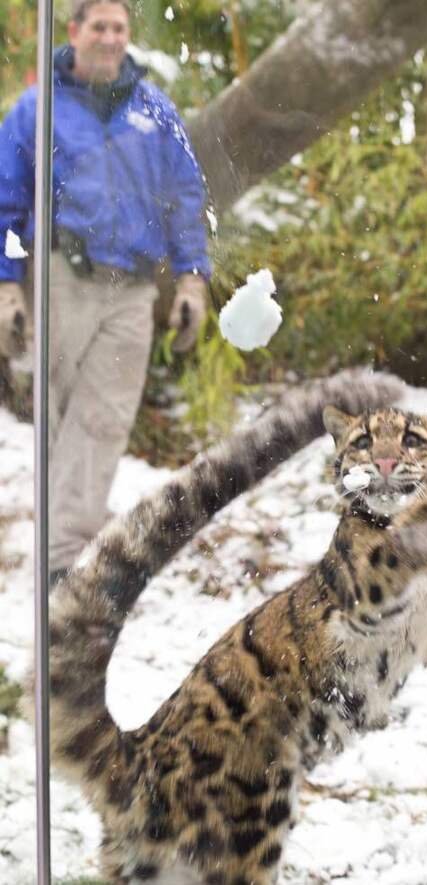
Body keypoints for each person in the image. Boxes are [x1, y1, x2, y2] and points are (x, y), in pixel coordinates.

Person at [0, 0, 211, 583]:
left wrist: (193, 278)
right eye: (100, 26)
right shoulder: (38, 109)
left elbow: (186, 197)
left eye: (120, 27)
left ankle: (59, 561)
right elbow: (6, 200)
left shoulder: (154, 108)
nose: (111, 38)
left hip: (134, 291)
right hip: (64, 280)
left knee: (104, 420)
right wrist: (6, 289)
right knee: (62, 415)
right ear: (74, 32)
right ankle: (59, 546)